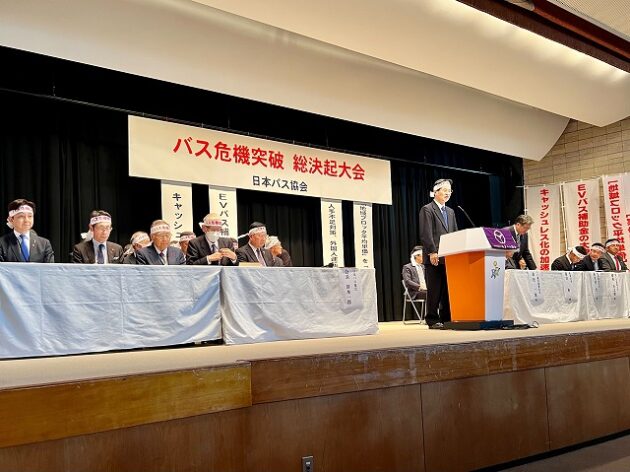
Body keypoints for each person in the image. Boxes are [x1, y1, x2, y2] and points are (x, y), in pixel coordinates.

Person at [419, 179, 458, 329]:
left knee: (447, 290)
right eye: (444, 190)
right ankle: (432, 319)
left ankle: (447, 318)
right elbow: (426, 233)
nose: (448, 193)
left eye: (450, 190)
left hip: (449, 257)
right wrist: (432, 251)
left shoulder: (451, 212)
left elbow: (454, 233)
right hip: (434, 257)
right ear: (435, 192)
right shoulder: (427, 209)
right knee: (434, 290)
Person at [0, 199, 54, 263]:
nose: (26, 220)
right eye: (21, 216)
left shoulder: (44, 244)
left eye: (30, 216)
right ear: (11, 219)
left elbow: (50, 268)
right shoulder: (2, 243)